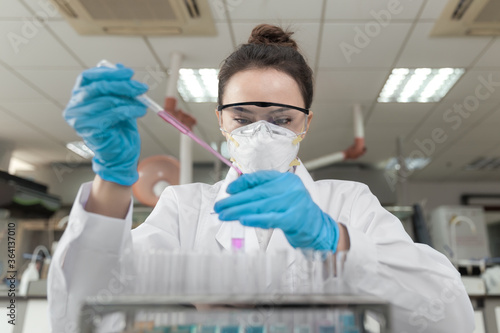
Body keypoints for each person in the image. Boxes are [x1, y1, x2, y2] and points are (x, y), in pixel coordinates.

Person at [48, 24, 474, 332]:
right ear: (221, 121)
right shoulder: (185, 207)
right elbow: (88, 309)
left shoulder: (347, 203)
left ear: (305, 124)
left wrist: (337, 241)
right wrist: (113, 181)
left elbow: (446, 313)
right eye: (243, 117)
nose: (261, 132)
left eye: (281, 119)